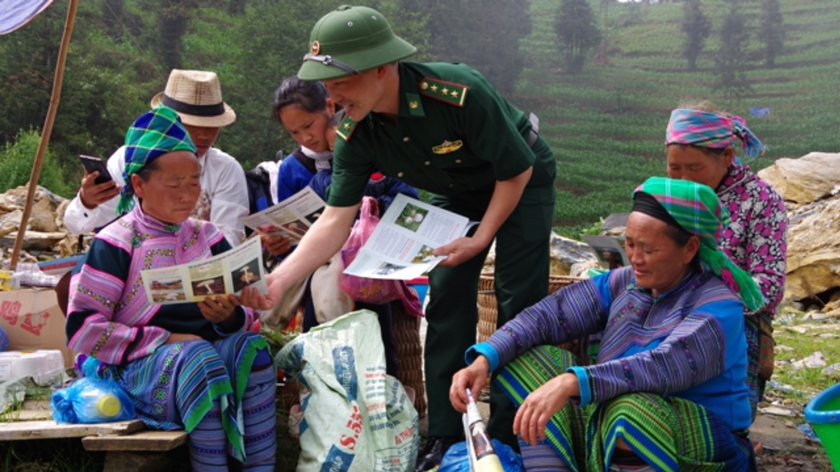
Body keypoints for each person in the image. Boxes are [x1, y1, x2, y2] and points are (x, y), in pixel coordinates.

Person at [239, 6, 557, 470]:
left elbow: (516, 170)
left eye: (340, 83)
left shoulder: (458, 93)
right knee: (446, 296)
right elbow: (334, 220)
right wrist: (278, 282)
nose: (333, 97)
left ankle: (509, 431)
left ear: (380, 68)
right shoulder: (353, 128)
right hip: (457, 190)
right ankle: (448, 434)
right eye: (327, 86)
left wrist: (481, 237)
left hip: (520, 180)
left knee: (517, 298)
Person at [450, 177, 762, 472]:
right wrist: (484, 359)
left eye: (649, 249)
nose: (635, 258)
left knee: (630, 415)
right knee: (523, 360)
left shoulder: (719, 307)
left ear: (690, 248)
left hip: (697, 442)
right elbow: (548, 315)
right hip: (608, 416)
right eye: (630, 245)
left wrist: (571, 382)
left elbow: (662, 366)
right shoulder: (625, 282)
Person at [66, 107, 275, 472]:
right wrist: (168, 339)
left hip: (202, 359)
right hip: (136, 368)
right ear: (139, 185)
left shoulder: (209, 237)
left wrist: (230, 316)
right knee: (200, 359)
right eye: (174, 184)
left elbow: (250, 311)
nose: (186, 195)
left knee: (251, 349)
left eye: (193, 183)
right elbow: (84, 330)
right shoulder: (116, 243)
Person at [665, 103, 787, 419]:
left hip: (735, 322)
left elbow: (767, 288)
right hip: (672, 311)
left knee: (721, 424)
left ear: (728, 158)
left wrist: (708, 300)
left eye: (694, 168)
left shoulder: (761, 201)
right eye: (674, 168)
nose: (683, 178)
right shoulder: (670, 198)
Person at [64, 69, 249, 246]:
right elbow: (77, 226)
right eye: (192, 126)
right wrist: (88, 202)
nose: (203, 136)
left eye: (211, 127)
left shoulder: (226, 170)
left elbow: (227, 241)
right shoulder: (129, 159)